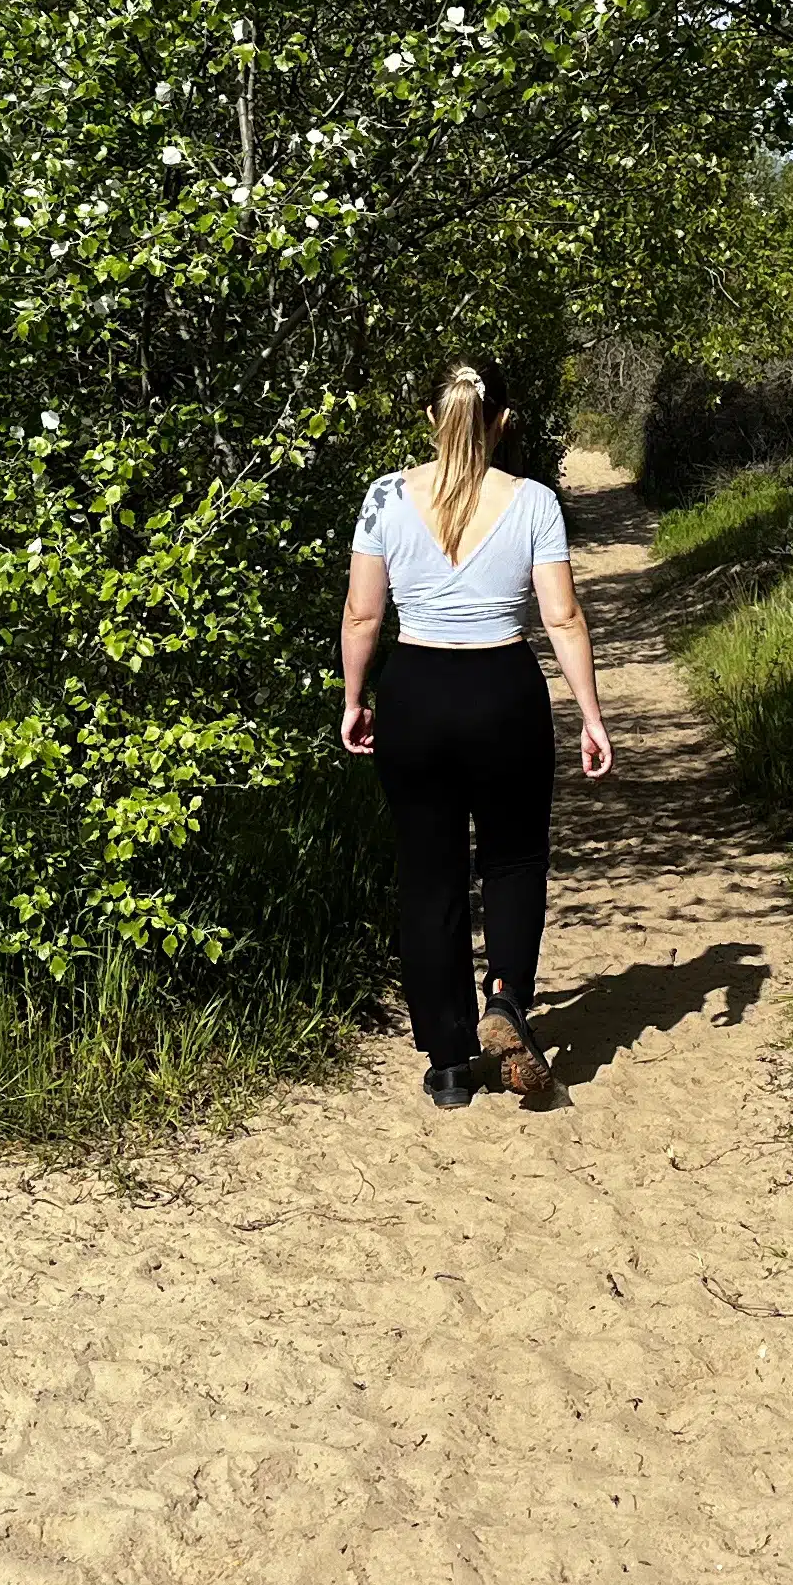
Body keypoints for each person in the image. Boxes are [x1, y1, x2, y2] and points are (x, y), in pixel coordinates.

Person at [340, 361, 615, 1107]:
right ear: (503, 423)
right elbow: (562, 617)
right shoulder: (534, 502)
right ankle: (507, 1000)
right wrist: (591, 715)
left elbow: (363, 615)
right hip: (504, 692)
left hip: (417, 692)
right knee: (515, 859)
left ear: (433, 419)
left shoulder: (384, 497)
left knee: (429, 874)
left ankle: (449, 1063)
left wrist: (355, 698)